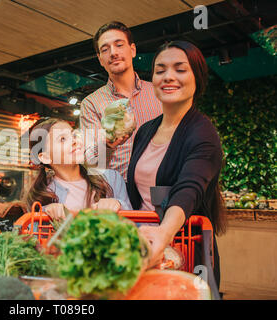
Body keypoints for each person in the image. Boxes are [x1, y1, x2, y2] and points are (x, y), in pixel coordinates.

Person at [126, 40, 226, 287]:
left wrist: (163, 233)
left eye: (180, 69)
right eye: (160, 70)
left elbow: (189, 188)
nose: (168, 77)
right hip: (143, 249)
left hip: (185, 252)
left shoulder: (203, 133)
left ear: (197, 77)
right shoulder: (146, 130)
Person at [80, 21, 162, 181]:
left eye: (119, 45)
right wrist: (109, 144)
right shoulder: (91, 104)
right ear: (100, 59)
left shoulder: (158, 93)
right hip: (118, 192)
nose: (113, 53)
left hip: (159, 186)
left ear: (132, 50)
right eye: (105, 49)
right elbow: (92, 163)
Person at [25, 118, 132, 220]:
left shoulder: (112, 178)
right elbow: (35, 236)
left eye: (74, 135)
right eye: (62, 139)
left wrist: (119, 204)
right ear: (45, 157)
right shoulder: (42, 196)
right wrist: (46, 214)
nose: (74, 141)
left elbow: (135, 225)